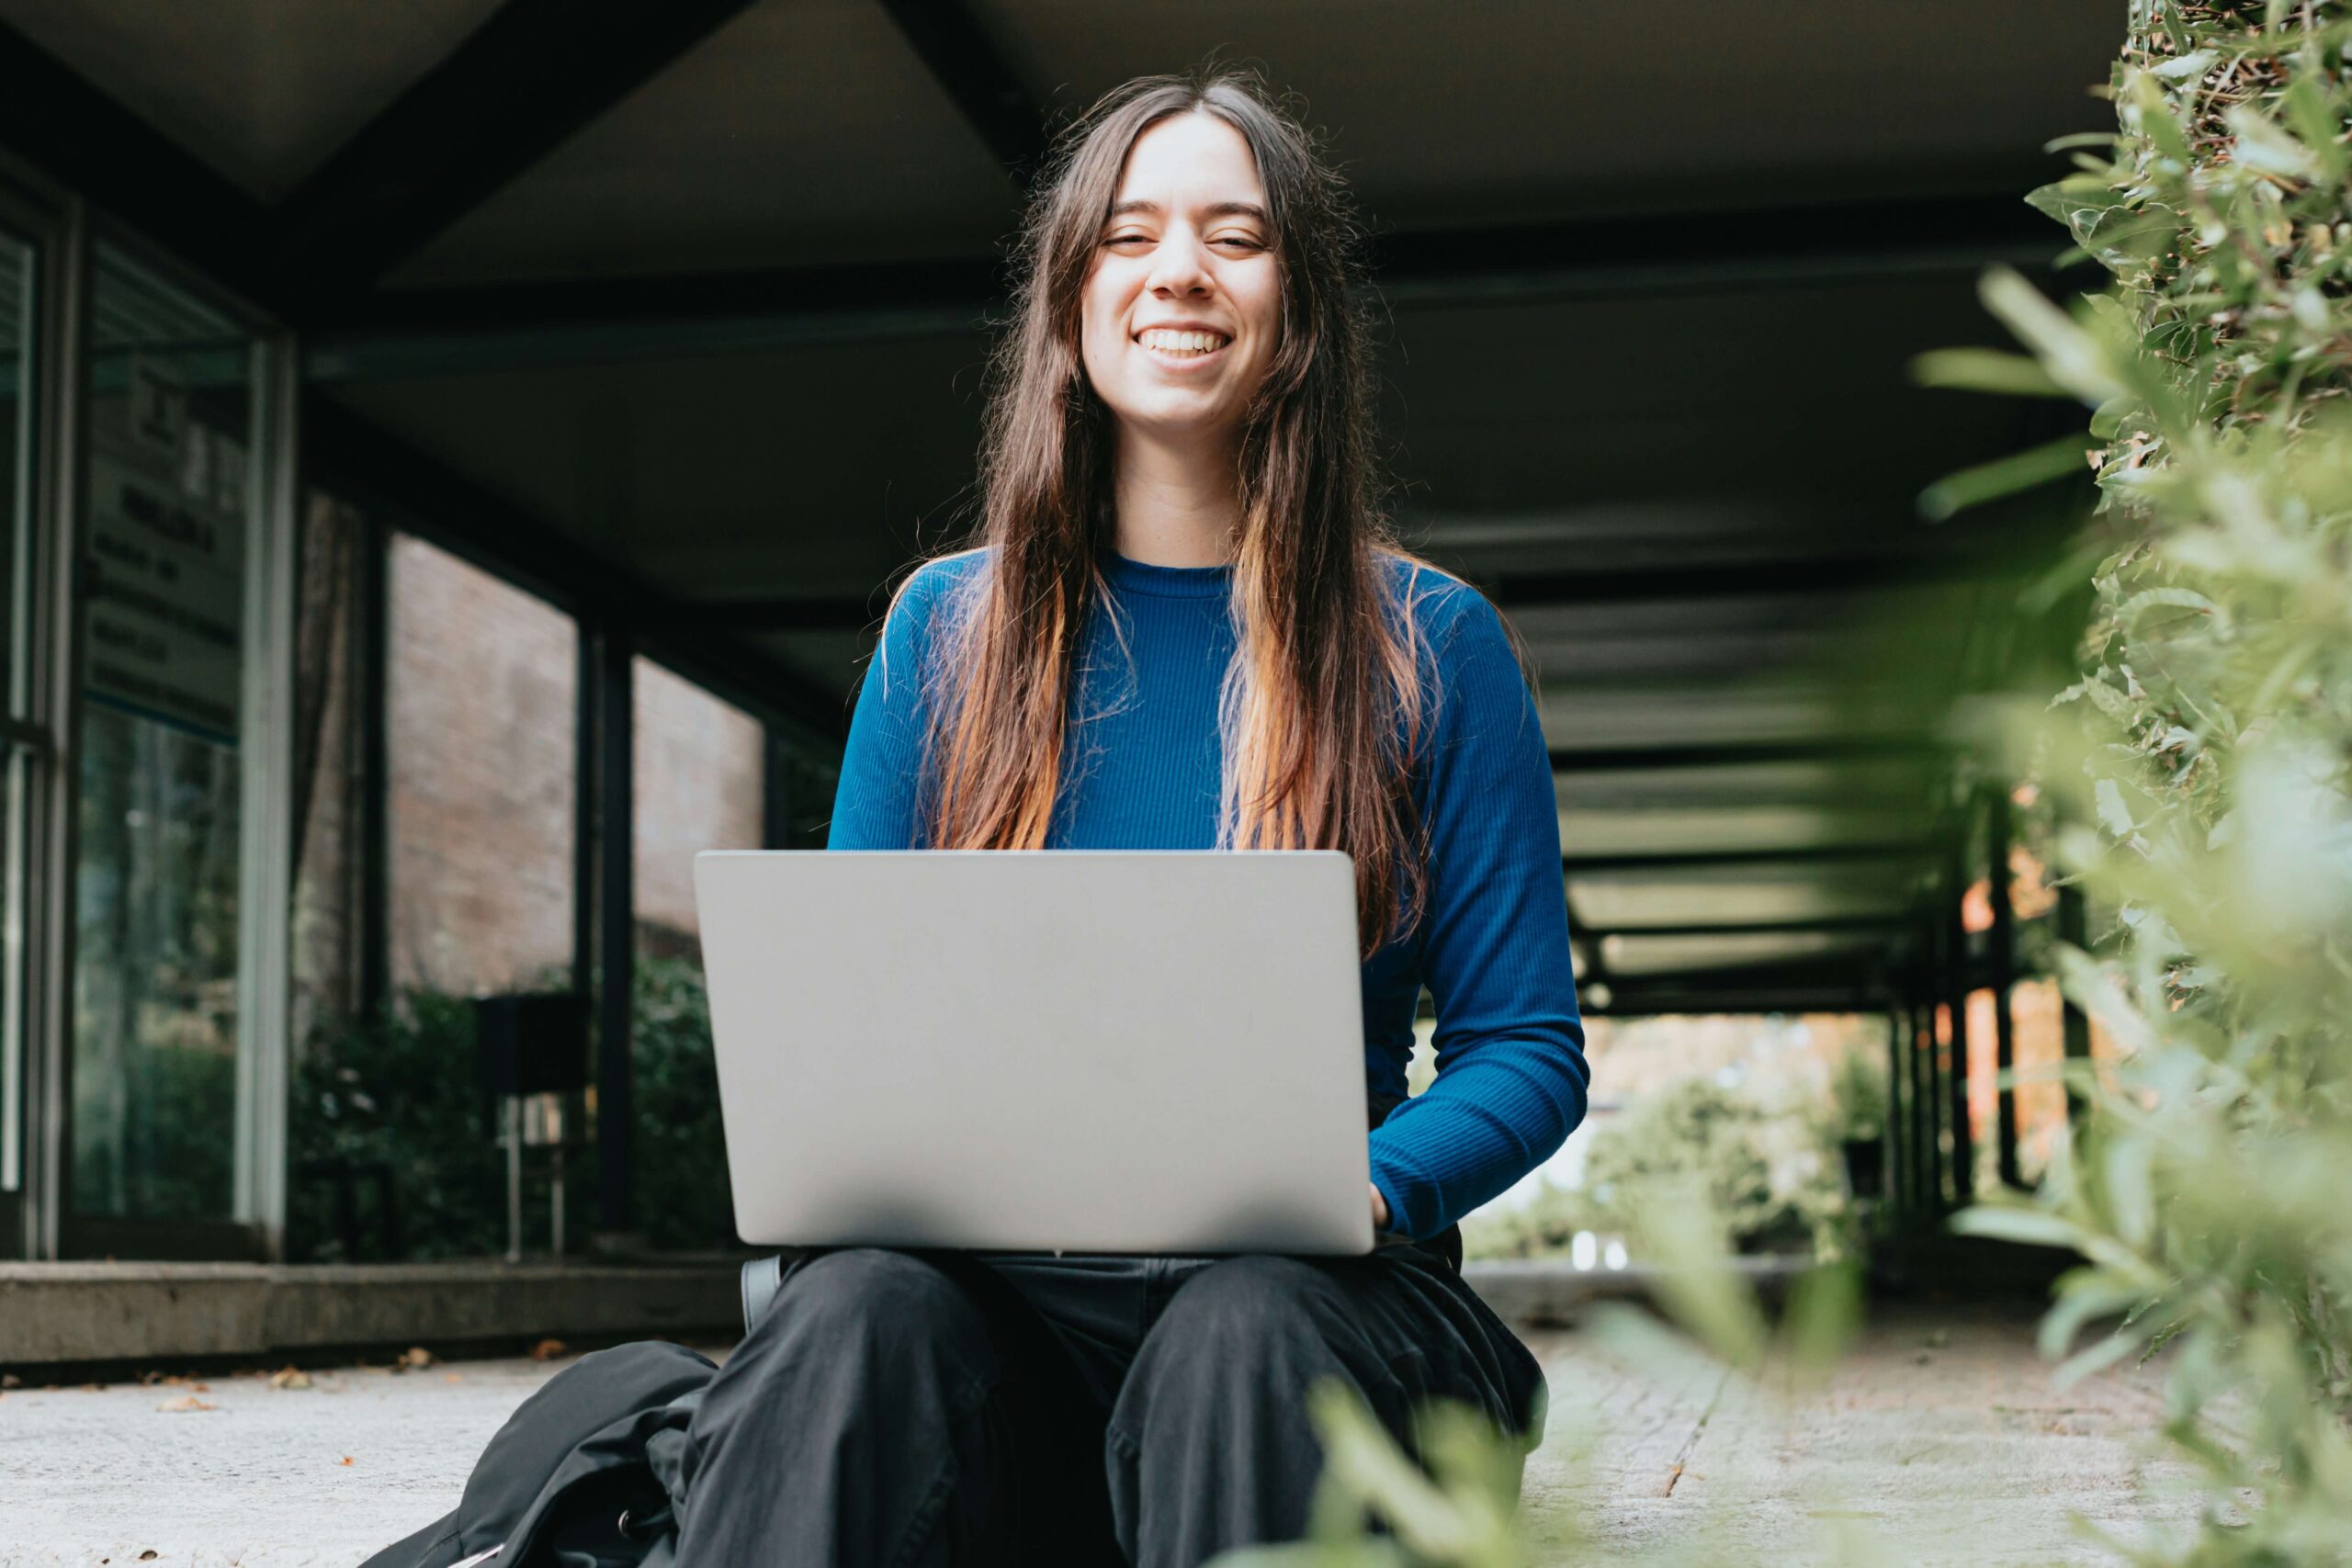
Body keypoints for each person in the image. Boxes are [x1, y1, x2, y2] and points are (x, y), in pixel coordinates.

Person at [672, 63, 1589, 1568]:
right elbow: (853, 1046)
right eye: (1130, 235)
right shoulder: (946, 632)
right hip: (1003, 1324)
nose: (1180, 272)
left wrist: (1365, 1183)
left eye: (1237, 236)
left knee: (1242, 1324)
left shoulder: (1432, 643)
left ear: (1298, 310)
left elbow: (1525, 1053)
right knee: (850, 1314)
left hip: (1310, 1315)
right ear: (1068, 299)